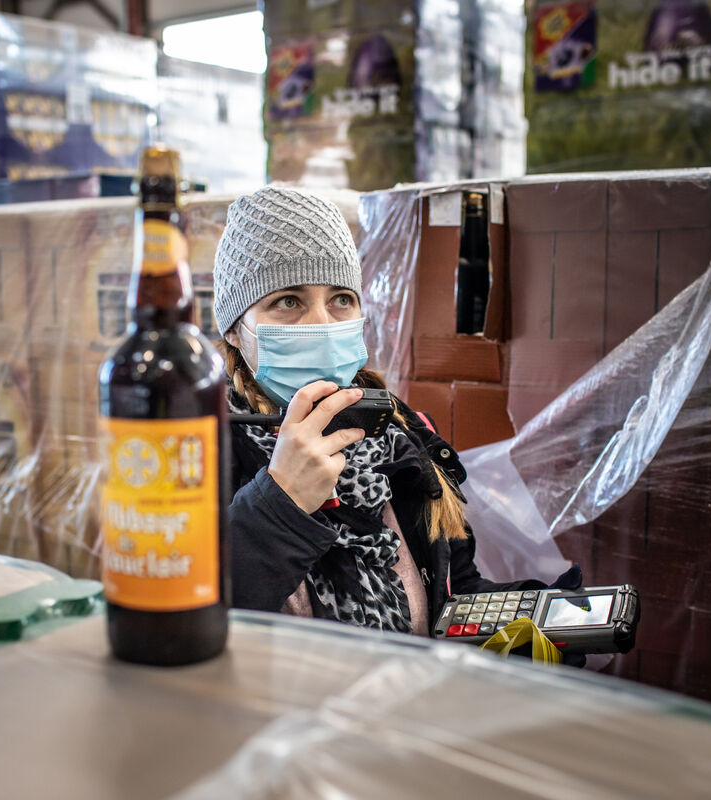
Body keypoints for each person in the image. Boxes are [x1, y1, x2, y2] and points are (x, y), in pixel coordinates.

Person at [213, 186, 573, 636]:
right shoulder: (199, 451)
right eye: (288, 301)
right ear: (232, 329)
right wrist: (280, 500)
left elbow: (452, 593)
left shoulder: (403, 435)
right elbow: (184, 623)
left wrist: (531, 623)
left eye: (341, 299)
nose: (324, 324)